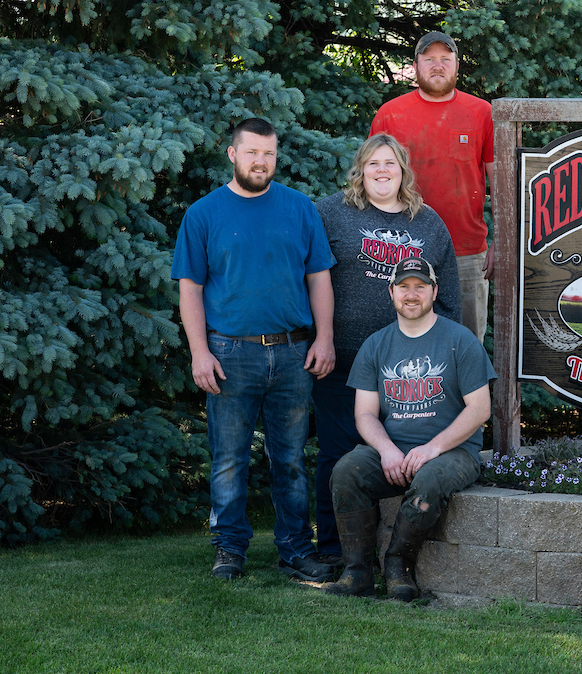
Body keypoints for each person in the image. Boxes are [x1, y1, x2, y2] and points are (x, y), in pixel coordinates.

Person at [171, 117, 338, 583]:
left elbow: (319, 278)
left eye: (268, 153)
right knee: (229, 458)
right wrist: (199, 352)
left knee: (288, 459)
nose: (260, 161)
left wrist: (324, 338)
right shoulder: (203, 214)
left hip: (292, 355)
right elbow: (190, 289)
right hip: (229, 354)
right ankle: (229, 549)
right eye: (251, 153)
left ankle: (294, 549)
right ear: (232, 154)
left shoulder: (300, 209)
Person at [312, 134, 461, 564]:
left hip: (411, 371)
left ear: (403, 172)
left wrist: (449, 356)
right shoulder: (330, 213)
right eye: (373, 163)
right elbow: (308, 275)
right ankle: (336, 550)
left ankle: (401, 549)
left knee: (403, 455)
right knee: (338, 454)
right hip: (342, 361)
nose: (382, 170)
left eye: (390, 164)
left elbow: (448, 295)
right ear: (361, 169)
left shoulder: (427, 222)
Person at [321, 257, 496, 600]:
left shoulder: (460, 340)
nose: (411, 294)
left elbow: (480, 409)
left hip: (452, 452)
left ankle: (398, 566)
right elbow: (365, 415)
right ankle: (357, 572)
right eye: (404, 286)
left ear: (435, 291)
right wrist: (386, 450)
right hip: (394, 447)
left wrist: (432, 449)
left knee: (429, 480)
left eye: (420, 286)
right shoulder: (376, 345)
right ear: (391, 292)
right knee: (346, 471)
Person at [369, 31, 494, 342]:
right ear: (415, 66)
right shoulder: (390, 114)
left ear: (456, 66)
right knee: (398, 343)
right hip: (400, 249)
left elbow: (501, 180)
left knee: (467, 344)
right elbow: (372, 181)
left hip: (467, 252)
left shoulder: (481, 113)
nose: (437, 66)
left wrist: (502, 242)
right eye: (429, 60)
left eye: (445, 60)